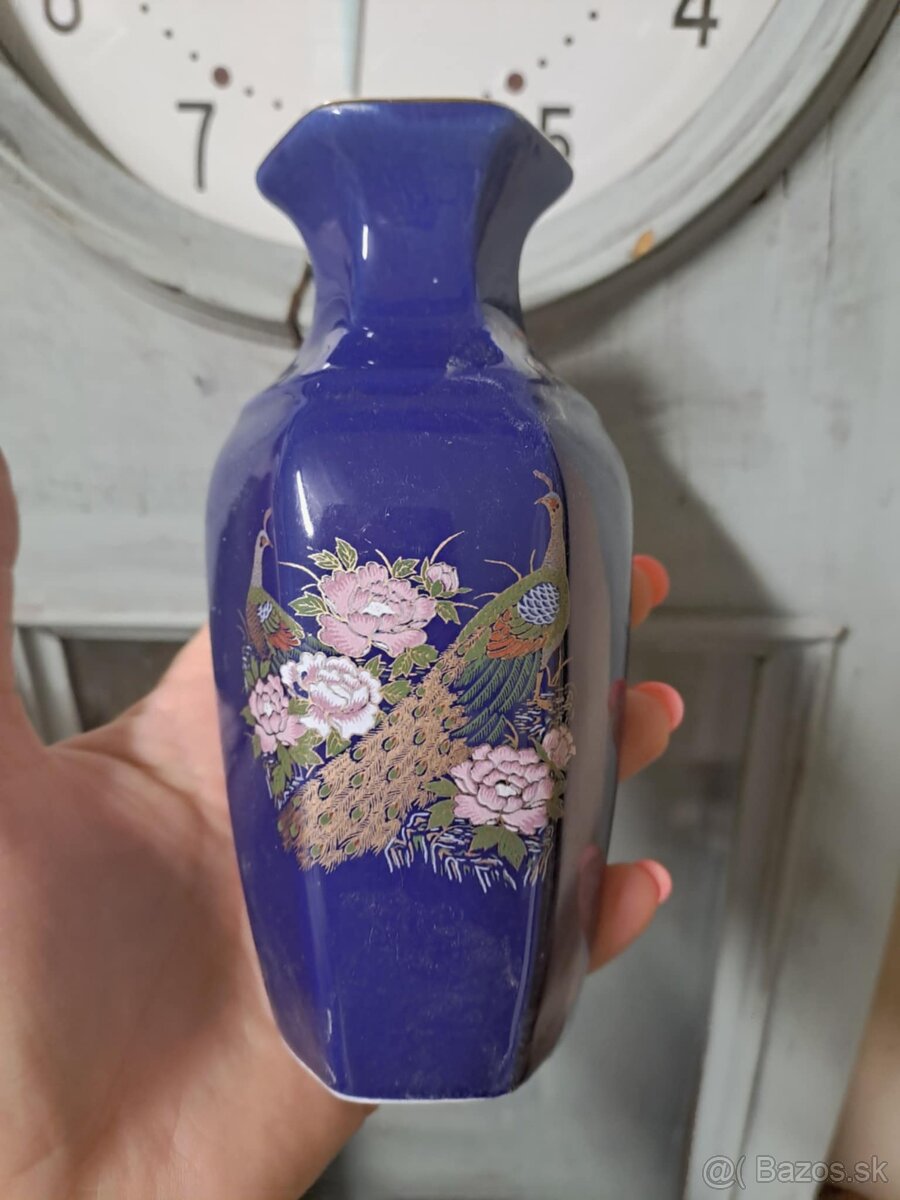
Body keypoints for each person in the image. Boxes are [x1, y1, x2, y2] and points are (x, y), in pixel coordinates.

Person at [0, 452, 683, 1199]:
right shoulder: (538, 585)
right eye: (551, 513)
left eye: (550, 513)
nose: (551, 514)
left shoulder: (549, 573)